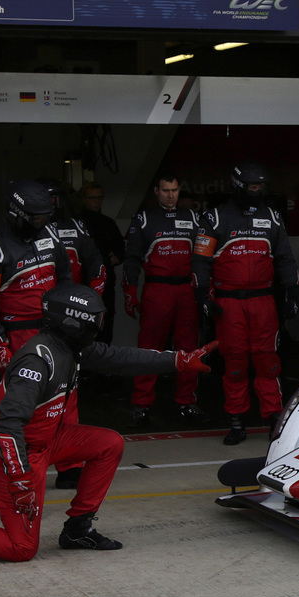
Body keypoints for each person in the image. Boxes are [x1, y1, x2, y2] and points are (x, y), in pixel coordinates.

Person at [0, 284, 216, 566]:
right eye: (94, 321)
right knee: (21, 547)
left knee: (110, 443)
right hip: (13, 452)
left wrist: (179, 360)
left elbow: (121, 357)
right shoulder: (38, 361)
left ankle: (79, 528)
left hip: (46, 438)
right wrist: (19, 479)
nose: (98, 327)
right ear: (74, 322)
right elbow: (7, 426)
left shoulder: (70, 347)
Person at [194, 161, 299, 445]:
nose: (258, 192)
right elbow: (201, 261)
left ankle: (273, 417)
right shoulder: (215, 218)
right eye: (253, 187)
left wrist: (292, 291)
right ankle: (237, 419)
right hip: (229, 304)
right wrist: (202, 296)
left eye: (261, 187)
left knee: (268, 361)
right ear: (239, 186)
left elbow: (286, 259)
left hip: (263, 301)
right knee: (236, 362)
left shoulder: (273, 218)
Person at [123, 173, 203, 426]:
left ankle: (187, 402)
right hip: (157, 290)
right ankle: (142, 405)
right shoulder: (144, 220)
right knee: (149, 349)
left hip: (186, 290)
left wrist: (206, 287)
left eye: (175, 190)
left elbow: (204, 258)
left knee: (189, 348)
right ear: (156, 191)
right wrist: (130, 290)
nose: (171, 195)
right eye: (166, 190)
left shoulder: (192, 218)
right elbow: (132, 258)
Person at [0, 180, 74, 372]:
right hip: (16, 335)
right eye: (37, 219)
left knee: (60, 393)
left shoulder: (50, 236)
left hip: (54, 330)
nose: (43, 223)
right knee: (24, 397)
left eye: (46, 217)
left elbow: (66, 281)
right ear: (16, 215)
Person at [39, 177, 107, 298]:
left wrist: (95, 289)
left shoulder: (76, 227)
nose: (52, 204)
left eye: (55, 199)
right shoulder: (27, 232)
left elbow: (93, 260)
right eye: (47, 199)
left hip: (72, 298)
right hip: (38, 300)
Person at [77, 182, 126, 344]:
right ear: (84, 199)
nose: (96, 201)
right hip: (82, 284)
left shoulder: (108, 223)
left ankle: (103, 366)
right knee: (82, 325)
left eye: (99, 198)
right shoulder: (77, 223)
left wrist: (117, 257)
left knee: (105, 324)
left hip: (106, 284)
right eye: (92, 198)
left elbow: (121, 249)